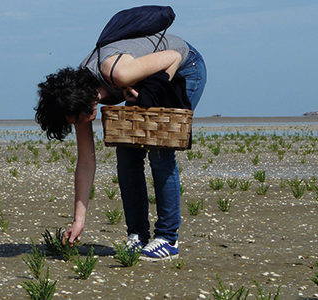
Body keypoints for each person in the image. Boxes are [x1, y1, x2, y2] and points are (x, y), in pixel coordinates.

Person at [34, 32, 206, 261]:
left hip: (184, 66)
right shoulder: (75, 98)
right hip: (149, 76)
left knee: (159, 149)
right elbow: (86, 162)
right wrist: (78, 221)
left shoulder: (118, 72)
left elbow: (173, 56)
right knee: (126, 153)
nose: (77, 125)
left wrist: (153, 92)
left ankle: (167, 238)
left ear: (84, 104)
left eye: (75, 120)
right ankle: (138, 235)